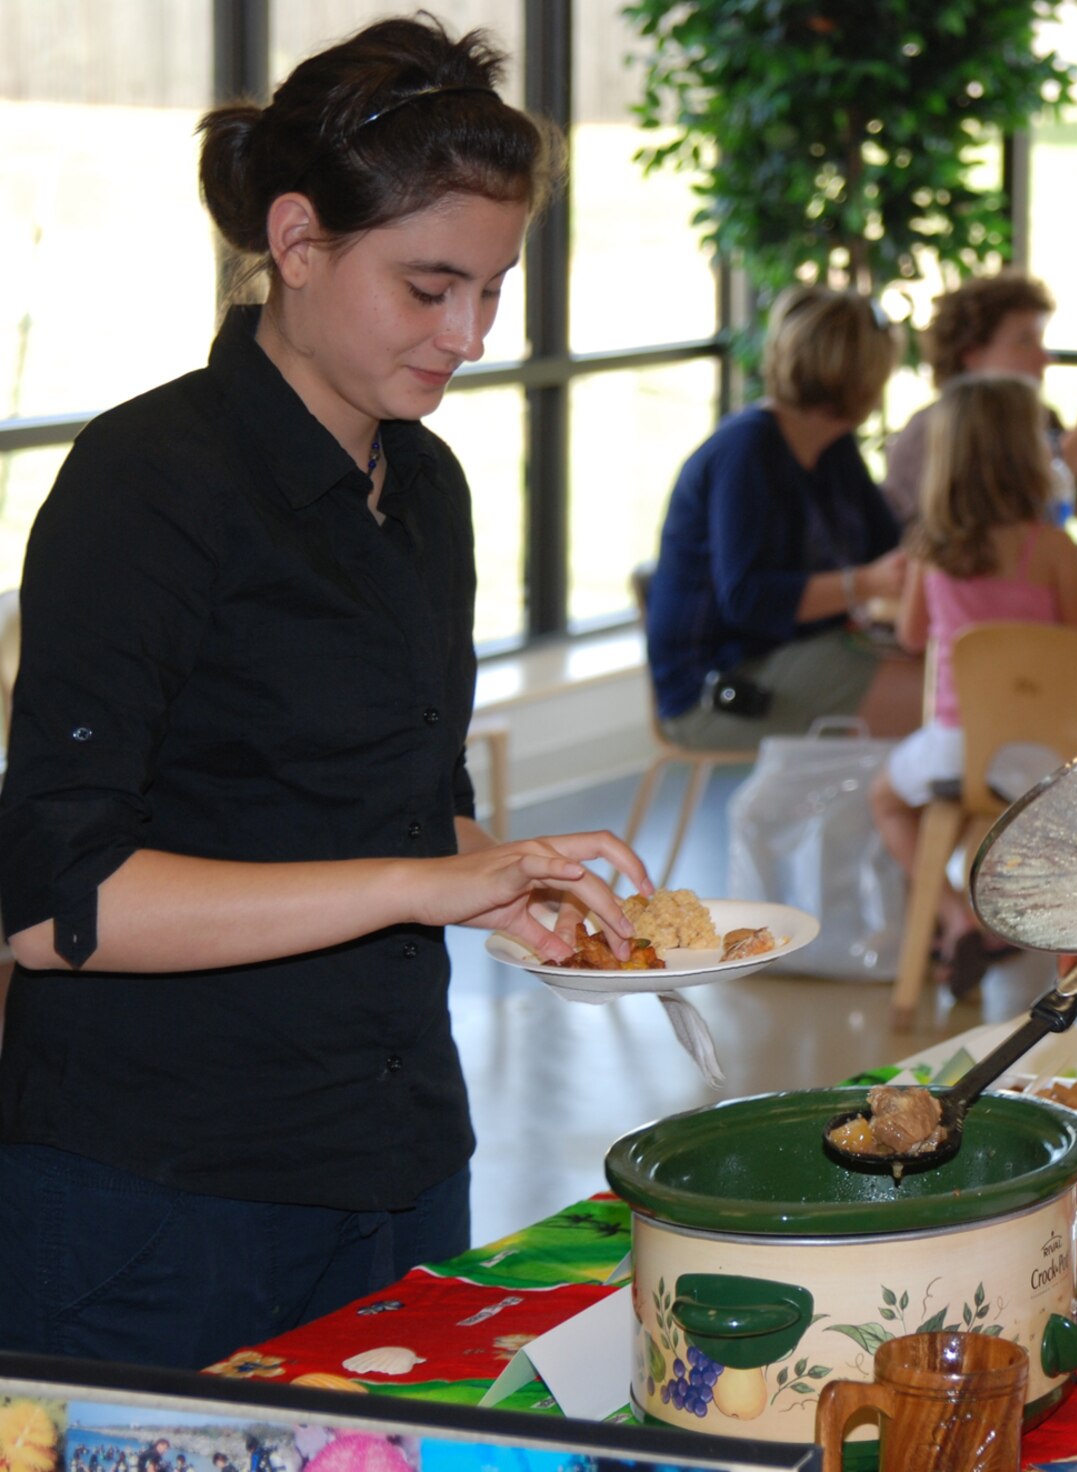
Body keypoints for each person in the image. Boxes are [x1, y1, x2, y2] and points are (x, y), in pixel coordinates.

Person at [0, 15, 652, 1371]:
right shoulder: (150, 486)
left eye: (494, 288)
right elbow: (58, 906)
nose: (469, 334)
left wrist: (511, 881)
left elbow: (409, 813)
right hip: (163, 1200)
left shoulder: (424, 486)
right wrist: (423, 885)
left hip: (399, 1159)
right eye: (429, 288)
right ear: (296, 243)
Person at [868, 374, 1077, 997]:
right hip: (1044, 759)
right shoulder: (1051, 548)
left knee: (884, 798)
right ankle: (1013, 925)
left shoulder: (930, 546)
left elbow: (911, 636)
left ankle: (956, 914)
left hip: (955, 748)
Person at [883, 272, 1077, 727]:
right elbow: (993, 532)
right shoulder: (937, 432)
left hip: (1031, 635)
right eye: (1024, 342)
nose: (1044, 357)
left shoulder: (1041, 421)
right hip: (977, 657)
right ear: (973, 355)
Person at [644, 284, 918, 748]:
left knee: (943, 680)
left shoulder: (832, 447)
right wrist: (866, 583)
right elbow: (748, 598)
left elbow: (888, 546)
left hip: (791, 654)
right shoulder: (746, 452)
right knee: (944, 704)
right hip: (718, 688)